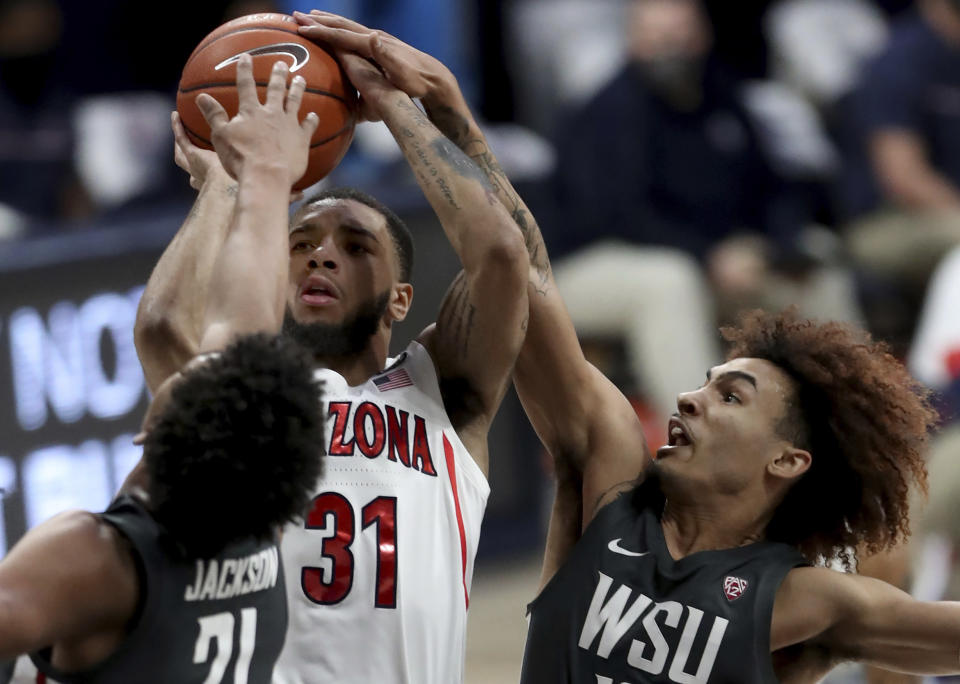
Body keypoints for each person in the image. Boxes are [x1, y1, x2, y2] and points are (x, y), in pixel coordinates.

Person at [307, 14, 960, 681]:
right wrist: (445, 114)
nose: (687, 397)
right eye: (707, 381)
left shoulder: (808, 602)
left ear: (789, 459)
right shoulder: (609, 481)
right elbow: (526, 275)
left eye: (730, 395)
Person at [134, 12, 529, 683]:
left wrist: (394, 106)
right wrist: (231, 182)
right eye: (301, 244)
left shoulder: (446, 393)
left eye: (354, 247)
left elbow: (501, 254)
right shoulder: (253, 403)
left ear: (402, 299)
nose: (321, 257)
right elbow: (164, 331)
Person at [0, 58, 325, 683]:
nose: (201, 347)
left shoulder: (96, 558)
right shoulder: (255, 528)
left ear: (153, 432)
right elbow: (186, 328)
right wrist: (247, 182)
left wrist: (262, 177)